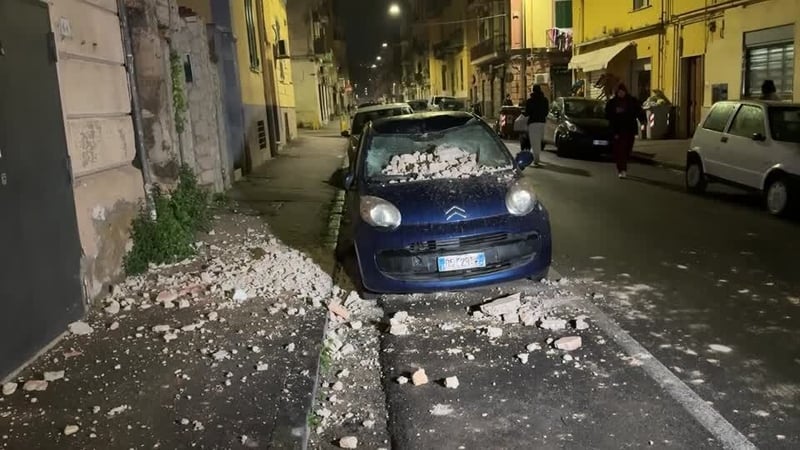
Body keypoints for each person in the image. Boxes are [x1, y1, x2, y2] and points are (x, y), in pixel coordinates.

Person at [605, 84, 644, 179]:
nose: (621, 93)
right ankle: (622, 170)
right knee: (620, 151)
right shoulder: (613, 103)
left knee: (627, 149)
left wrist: (643, 120)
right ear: (617, 92)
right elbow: (608, 115)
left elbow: (639, 111)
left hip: (630, 129)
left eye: (623, 92)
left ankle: (624, 165)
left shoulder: (631, 101)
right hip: (618, 130)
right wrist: (613, 130)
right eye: (619, 92)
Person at [524, 85, 549, 166]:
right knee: (538, 141)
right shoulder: (545, 100)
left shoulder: (530, 101)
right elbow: (546, 112)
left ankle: (536, 159)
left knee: (534, 141)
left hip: (533, 123)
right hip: (542, 122)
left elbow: (527, 113)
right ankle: (536, 157)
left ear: (533, 90)